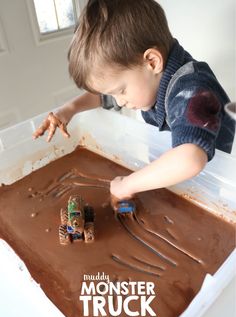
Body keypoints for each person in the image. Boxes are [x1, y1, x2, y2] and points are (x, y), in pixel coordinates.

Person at [33, 0, 235, 203]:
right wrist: (68, 110)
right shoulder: (149, 80)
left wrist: (127, 184)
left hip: (206, 186)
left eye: (121, 91)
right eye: (114, 94)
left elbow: (190, 159)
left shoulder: (193, 88)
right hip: (171, 172)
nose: (119, 103)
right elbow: (101, 95)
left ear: (152, 62)